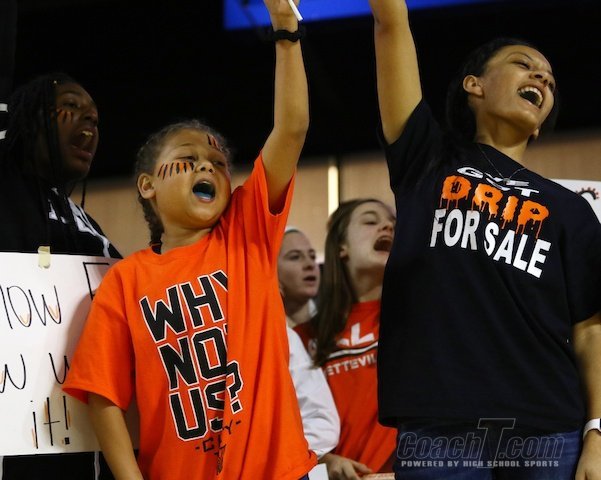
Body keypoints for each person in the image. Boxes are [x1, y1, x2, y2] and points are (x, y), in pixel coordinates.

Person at [63, 0, 316, 478]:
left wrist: (286, 31)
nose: (207, 165)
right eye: (189, 156)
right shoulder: (125, 281)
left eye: (218, 163)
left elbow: (292, 129)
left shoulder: (247, 231)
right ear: (147, 185)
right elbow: (102, 394)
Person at [367, 0, 601, 478]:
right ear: (474, 85)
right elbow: (391, 24)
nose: (541, 77)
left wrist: (597, 432)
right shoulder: (425, 158)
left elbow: (590, 331)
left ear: (541, 125)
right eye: (523, 64)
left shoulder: (572, 210)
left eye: (550, 80)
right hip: (439, 424)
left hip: (549, 428)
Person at [0, 1, 119, 479]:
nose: (90, 123)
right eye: (71, 107)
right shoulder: (6, 189)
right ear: (27, 118)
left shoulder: (86, 221)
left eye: (95, 118)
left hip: (77, 435)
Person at [296, 199, 397, 479]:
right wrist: (323, 461)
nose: (387, 226)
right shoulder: (302, 338)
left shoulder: (421, 320)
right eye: (370, 221)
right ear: (341, 247)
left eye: (393, 223)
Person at [278, 227, 340, 460]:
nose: (309, 264)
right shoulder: (270, 336)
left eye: (312, 256)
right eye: (295, 257)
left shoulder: (339, 329)